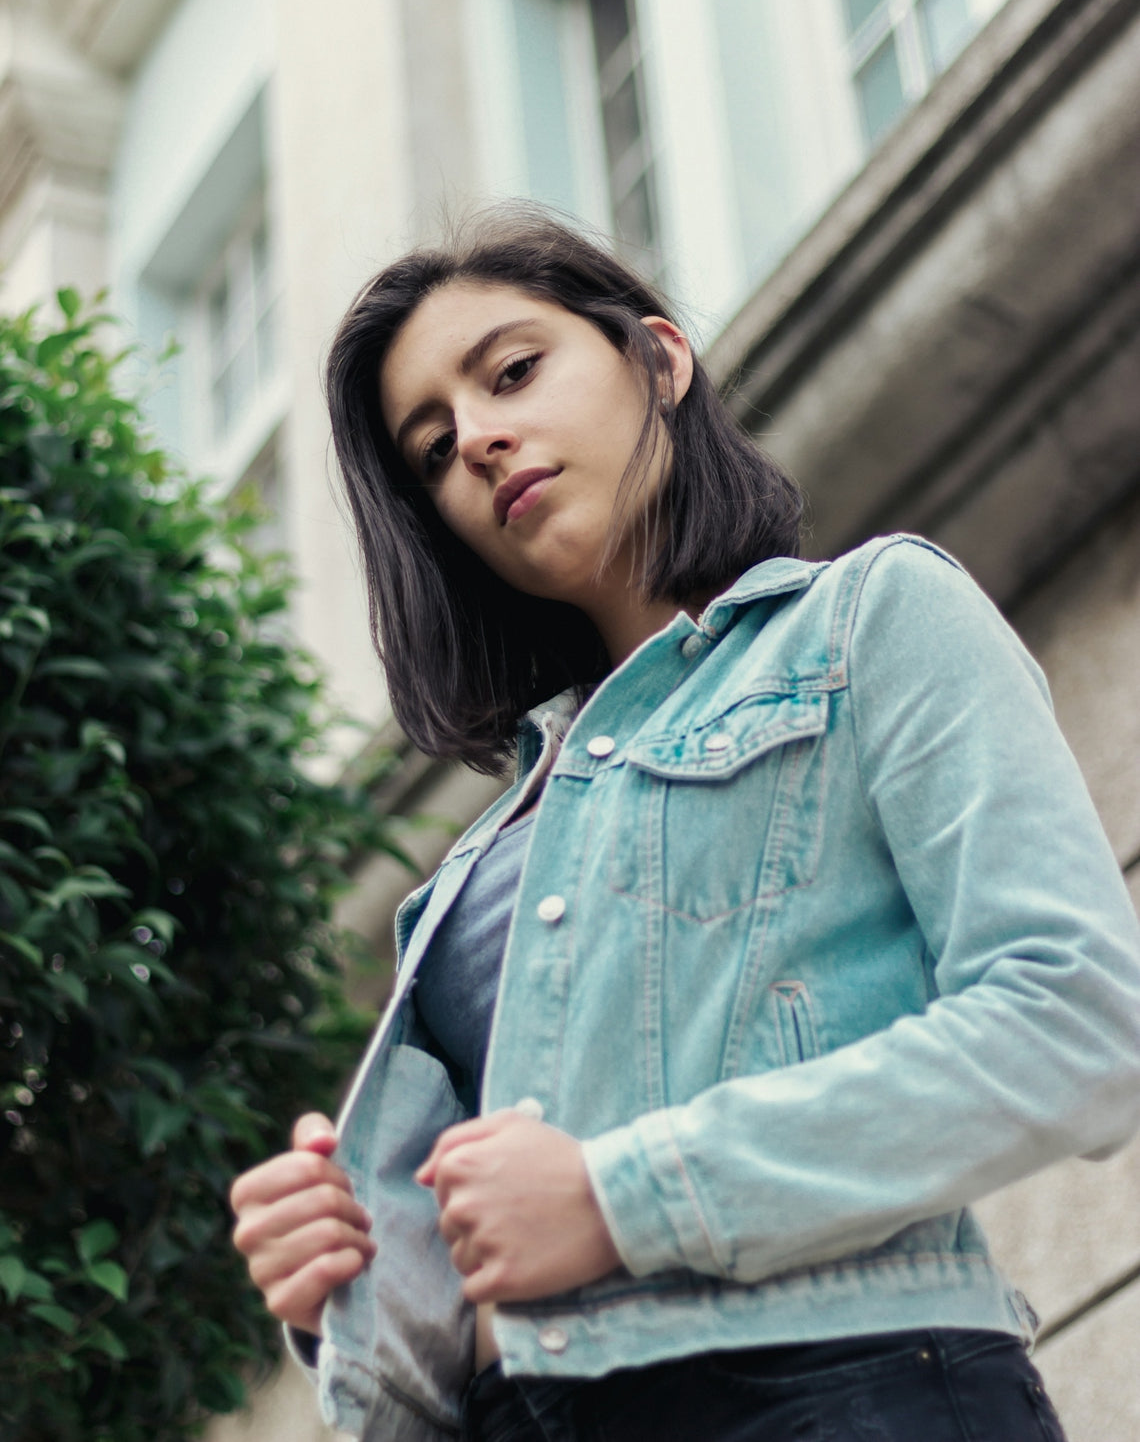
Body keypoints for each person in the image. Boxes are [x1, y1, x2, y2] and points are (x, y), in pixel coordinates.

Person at [230, 208, 1140, 1442]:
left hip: (829, 1391)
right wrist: (345, 1272)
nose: (483, 440)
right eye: (435, 449)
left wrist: (623, 1197)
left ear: (659, 358)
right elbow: (466, 1294)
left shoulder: (868, 622)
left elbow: (1078, 1021)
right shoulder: (470, 869)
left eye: (513, 372)